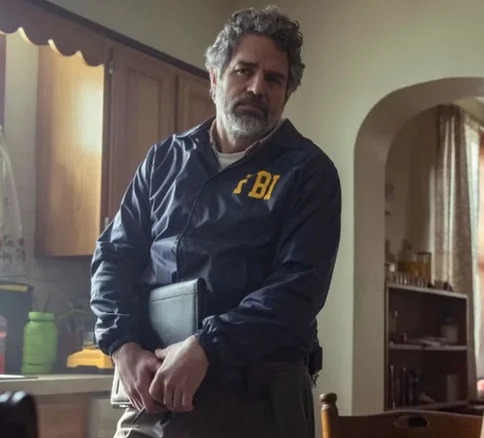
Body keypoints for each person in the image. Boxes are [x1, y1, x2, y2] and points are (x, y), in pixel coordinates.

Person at [90, 6, 341, 438]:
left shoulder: (309, 172)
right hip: (154, 391)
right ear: (214, 77)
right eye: (244, 70)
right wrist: (121, 345)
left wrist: (207, 346)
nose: (257, 87)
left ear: (287, 93)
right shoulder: (163, 160)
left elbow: (298, 289)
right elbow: (114, 256)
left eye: (274, 79)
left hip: (259, 400)